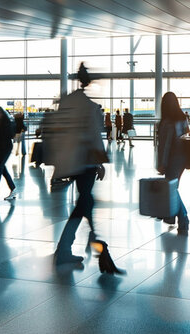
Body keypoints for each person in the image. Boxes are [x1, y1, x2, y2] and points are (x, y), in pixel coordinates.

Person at [53, 64, 121, 273]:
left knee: (84, 203)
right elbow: (93, 137)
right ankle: (90, 247)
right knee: (84, 203)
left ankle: (77, 248)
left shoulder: (67, 102)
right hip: (85, 163)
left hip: (69, 161)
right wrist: (99, 162)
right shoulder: (90, 107)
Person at [157, 92, 190, 233]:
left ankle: (183, 218)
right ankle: (170, 216)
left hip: (171, 159)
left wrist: (163, 163)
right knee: (172, 188)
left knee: (171, 189)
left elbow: (166, 145)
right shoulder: (182, 118)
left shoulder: (167, 122)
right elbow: (187, 135)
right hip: (182, 158)